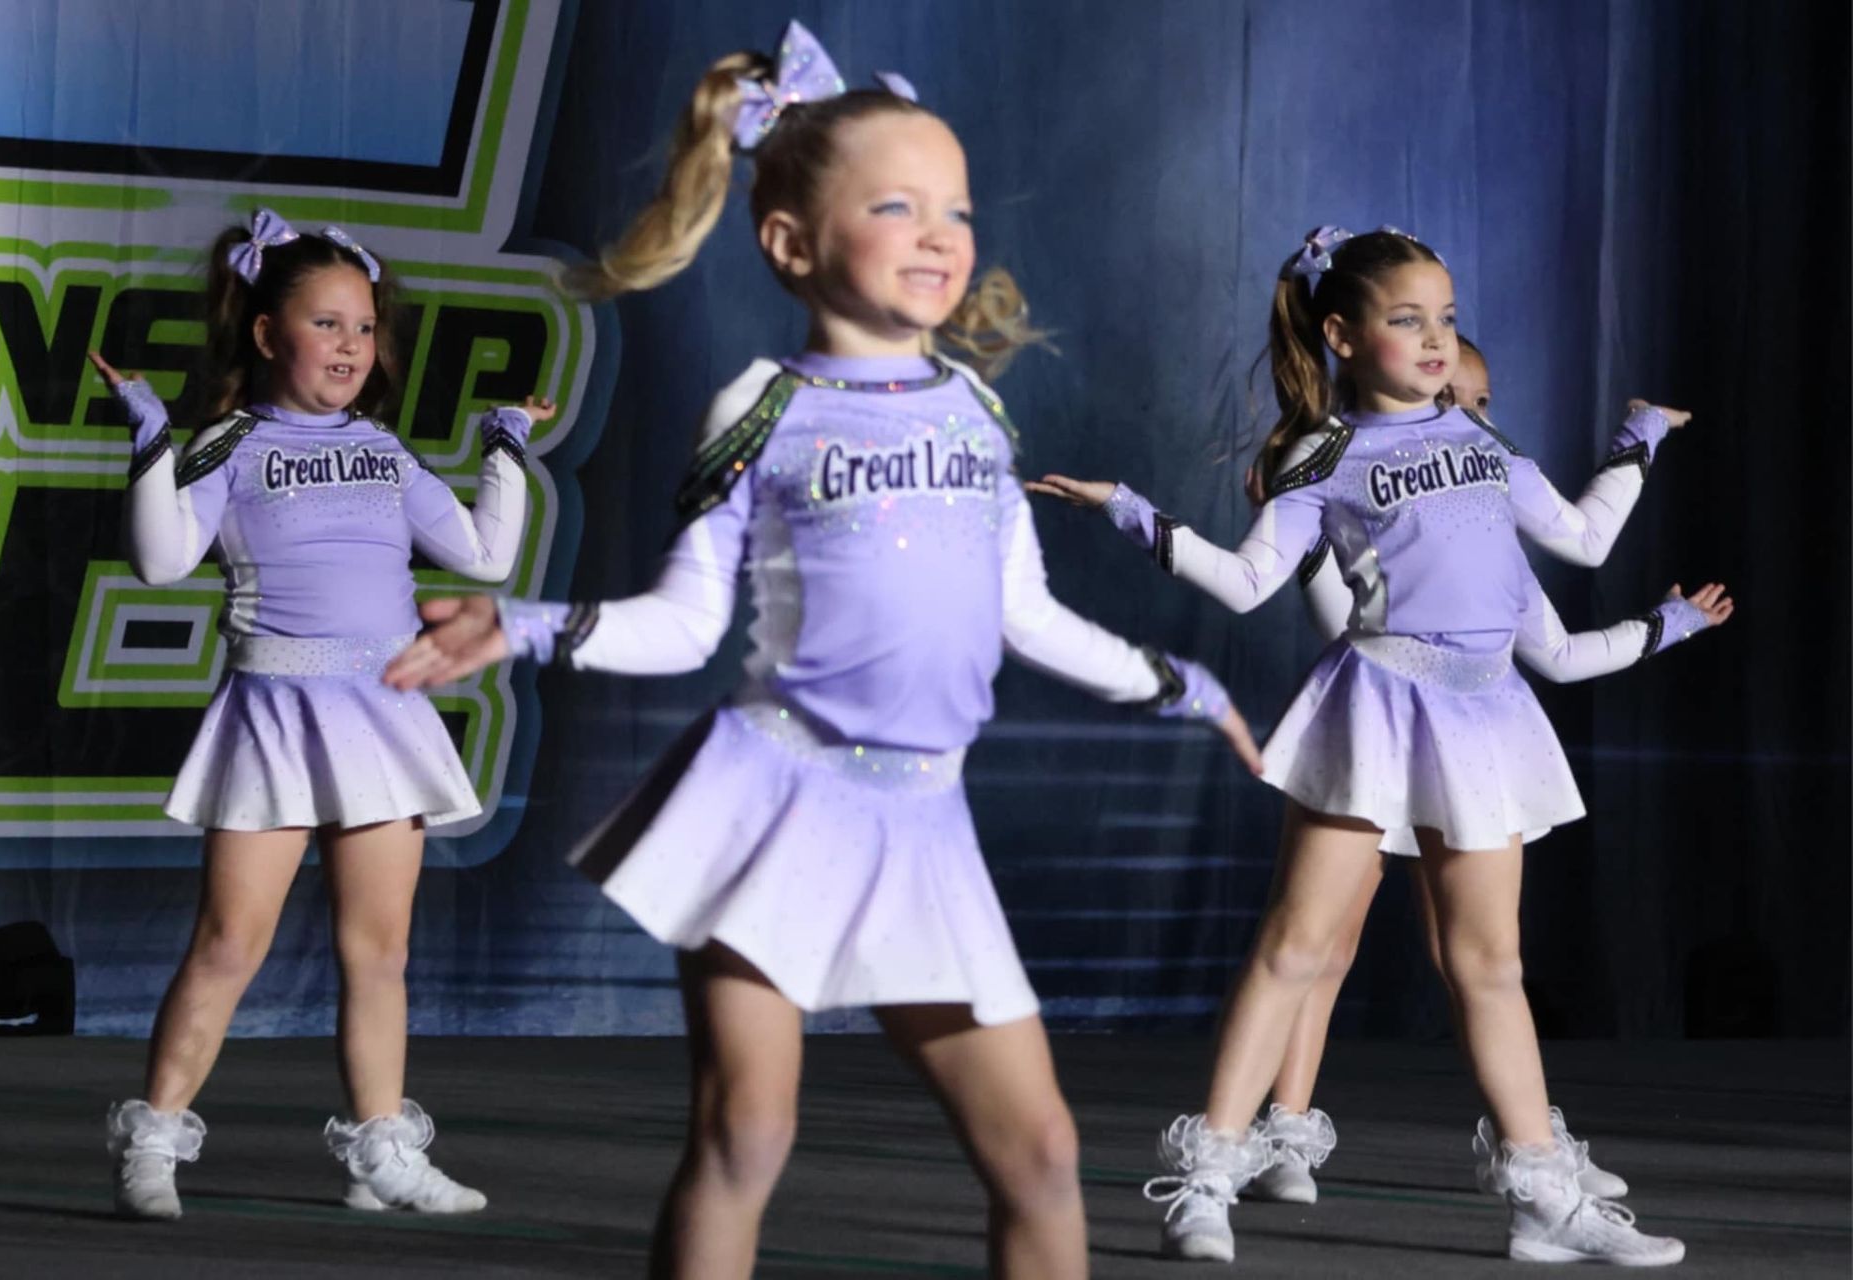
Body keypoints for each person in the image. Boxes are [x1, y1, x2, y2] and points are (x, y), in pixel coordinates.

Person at [385, 22, 1260, 1278]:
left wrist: (1180, 679)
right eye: (894, 206)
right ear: (790, 242)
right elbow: (685, 621)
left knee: (1044, 1156)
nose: (940, 234)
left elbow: (1028, 616)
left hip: (929, 818)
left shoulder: (978, 407)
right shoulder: (763, 408)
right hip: (780, 796)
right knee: (746, 1131)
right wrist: (524, 625)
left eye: (953, 208)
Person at [1029, 226, 1729, 1265]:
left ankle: (1542, 1195)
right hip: (1381, 703)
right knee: (1298, 945)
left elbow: (1583, 540)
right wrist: (1132, 512)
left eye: (1446, 317)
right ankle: (1207, 1175)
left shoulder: (1487, 444)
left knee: (1491, 962)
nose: (1437, 338)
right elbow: (1245, 582)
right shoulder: (1325, 456)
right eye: (1409, 320)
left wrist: (1638, 445)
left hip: (1487, 713)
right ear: (1342, 334)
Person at [96, 209, 552, 1220]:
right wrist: (152, 442)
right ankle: (155, 1142)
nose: (351, 345)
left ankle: (381, 1150)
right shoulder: (232, 443)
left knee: (378, 950)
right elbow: (162, 558)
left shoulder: (384, 451)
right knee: (227, 942)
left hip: (381, 713)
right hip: (273, 713)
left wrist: (506, 448)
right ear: (267, 334)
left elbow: (484, 554)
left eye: (363, 326)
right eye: (327, 324)